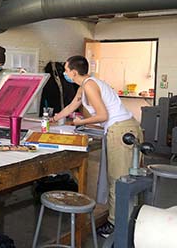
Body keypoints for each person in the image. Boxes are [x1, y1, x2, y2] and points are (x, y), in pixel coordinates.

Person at [52, 55, 143, 238]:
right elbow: (73, 105)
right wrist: (55, 118)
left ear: (74, 72)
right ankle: (128, 221)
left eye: (66, 70)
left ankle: (117, 227)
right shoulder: (84, 85)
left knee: (119, 180)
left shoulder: (90, 85)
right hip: (123, 127)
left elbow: (102, 115)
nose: (64, 73)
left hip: (121, 131)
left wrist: (81, 121)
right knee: (123, 178)